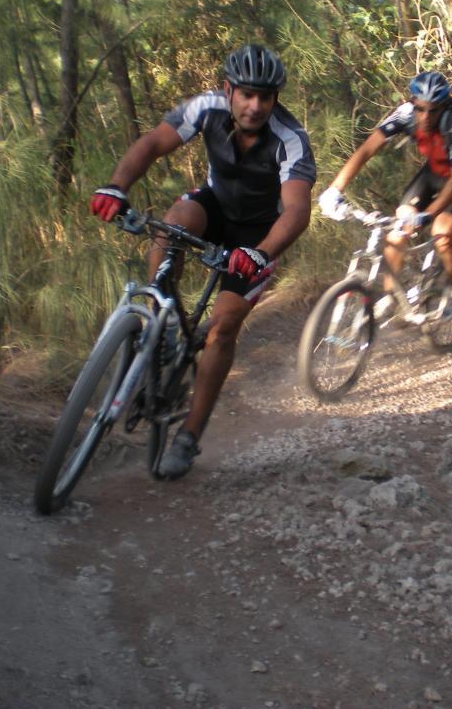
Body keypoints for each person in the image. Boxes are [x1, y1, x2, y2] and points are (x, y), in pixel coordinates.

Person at [89, 44, 315, 479]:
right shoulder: (206, 108)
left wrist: (262, 253)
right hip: (214, 207)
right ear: (228, 89)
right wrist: (116, 186)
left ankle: (189, 436)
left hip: (258, 237)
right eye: (246, 94)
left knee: (224, 326)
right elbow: (154, 142)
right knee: (174, 221)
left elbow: (297, 211)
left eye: (265, 97)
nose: (254, 105)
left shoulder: (290, 138)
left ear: (275, 99)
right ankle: (161, 320)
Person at [317, 71, 452, 311]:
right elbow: (367, 150)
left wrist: (428, 214)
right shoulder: (405, 113)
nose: (424, 116)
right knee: (396, 234)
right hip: (432, 174)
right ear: (413, 103)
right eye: (420, 109)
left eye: (432, 110)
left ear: (443, 105)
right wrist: (335, 188)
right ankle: (393, 296)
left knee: (442, 233)